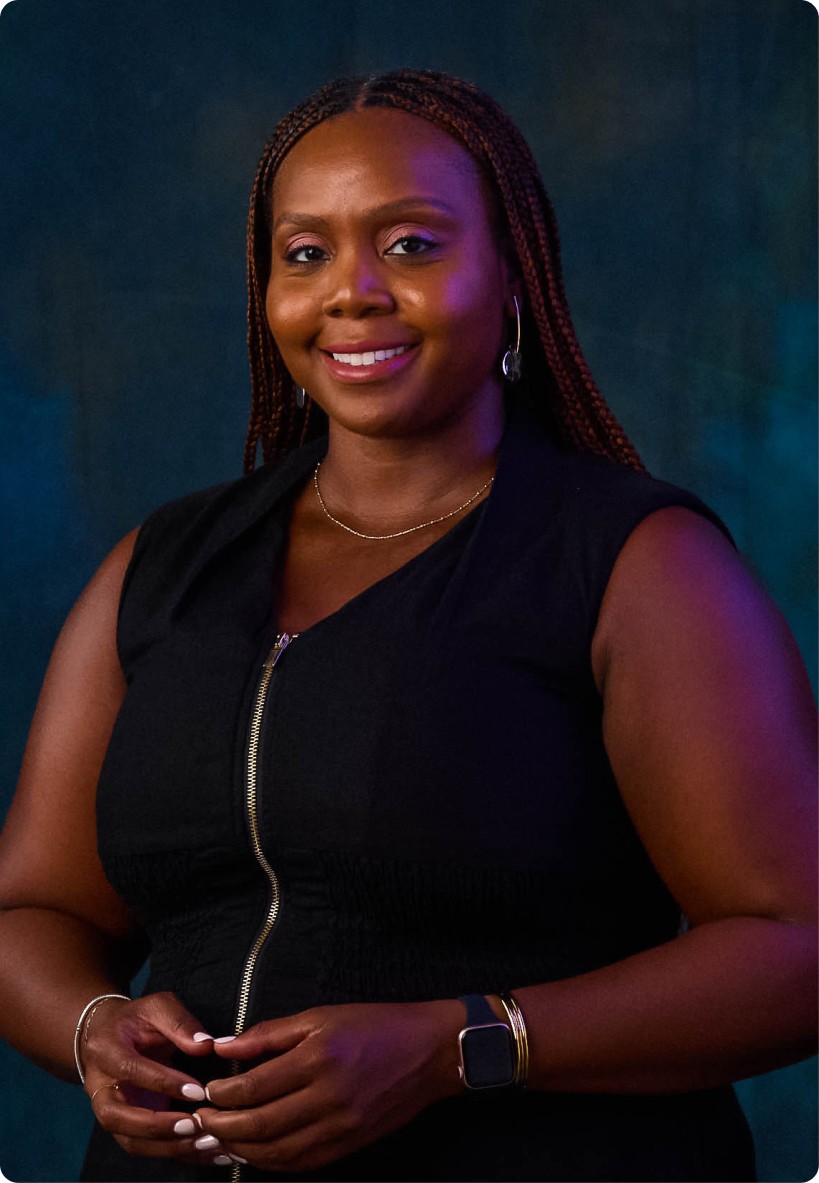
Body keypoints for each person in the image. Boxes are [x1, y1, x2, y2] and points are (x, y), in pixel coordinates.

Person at [0, 68, 815, 1183]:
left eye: (412, 245)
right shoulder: (164, 568)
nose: (352, 292)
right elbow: (33, 907)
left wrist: (458, 1046)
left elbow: (795, 949)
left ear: (511, 274)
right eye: (305, 252)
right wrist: (91, 1025)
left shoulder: (637, 565)